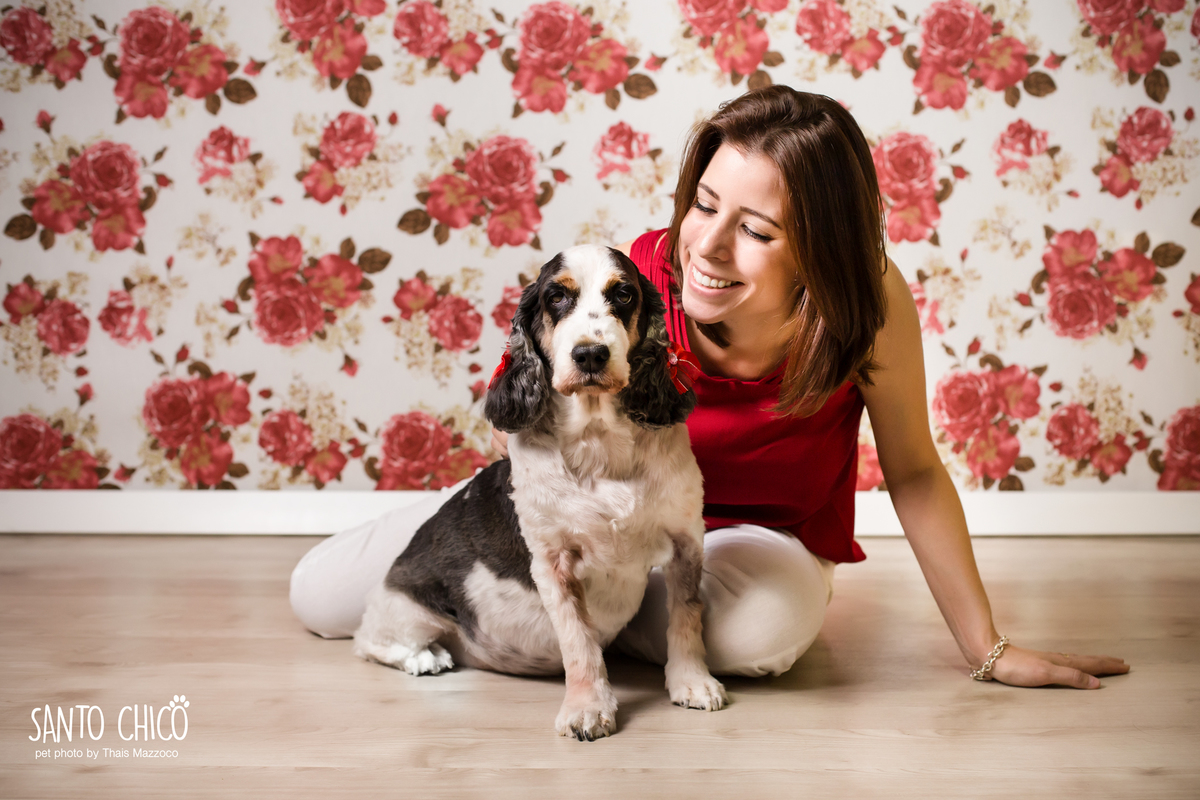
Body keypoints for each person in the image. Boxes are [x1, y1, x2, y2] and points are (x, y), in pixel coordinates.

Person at [290, 86, 1129, 687]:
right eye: (703, 204)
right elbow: (539, 417)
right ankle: (568, 619)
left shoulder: (866, 306)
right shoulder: (636, 280)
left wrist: (986, 648)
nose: (709, 248)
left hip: (749, 541)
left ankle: (574, 632)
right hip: (596, 513)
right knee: (322, 596)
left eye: (756, 230)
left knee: (755, 636)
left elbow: (912, 470)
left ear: (819, 255)